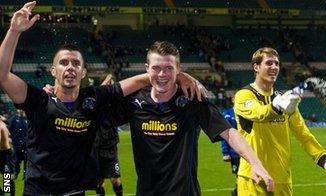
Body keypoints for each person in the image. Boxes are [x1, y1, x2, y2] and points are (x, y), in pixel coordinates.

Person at [0, 2, 203, 195]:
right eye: (63, 63)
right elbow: (2, 76)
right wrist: (14, 31)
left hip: (76, 192)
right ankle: (6, 191)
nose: (70, 67)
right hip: (38, 192)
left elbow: (136, 82)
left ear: (83, 72)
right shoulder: (39, 99)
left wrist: (177, 74)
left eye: (75, 64)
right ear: (53, 70)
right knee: (7, 177)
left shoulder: (94, 99)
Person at [118, 41, 274, 195]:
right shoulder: (134, 101)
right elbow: (100, 98)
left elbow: (228, 132)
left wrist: (255, 162)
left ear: (178, 69)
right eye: (156, 68)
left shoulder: (193, 99)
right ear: (147, 69)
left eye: (168, 68)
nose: (162, 74)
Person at [234, 47, 326, 195]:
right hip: (253, 179)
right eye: (268, 63)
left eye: (276, 63)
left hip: (282, 180)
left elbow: (304, 135)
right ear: (256, 67)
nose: (274, 67)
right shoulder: (244, 96)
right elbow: (259, 113)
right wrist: (278, 105)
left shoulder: (284, 98)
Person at [94, 74, 123, 196]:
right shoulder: (94, 103)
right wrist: (107, 80)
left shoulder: (114, 105)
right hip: (97, 148)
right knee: (98, 182)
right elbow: (98, 95)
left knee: (115, 180)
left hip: (111, 148)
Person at [220, 105, 240, 196]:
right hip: (235, 153)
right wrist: (225, 152)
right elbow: (225, 135)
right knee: (240, 176)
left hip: (250, 150)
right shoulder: (227, 114)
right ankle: (237, 193)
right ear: (233, 100)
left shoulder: (247, 111)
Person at [7, 109, 28, 180]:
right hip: (16, 144)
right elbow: (8, 131)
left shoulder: (28, 119)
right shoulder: (13, 119)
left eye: (23, 109)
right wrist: (9, 139)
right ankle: (16, 173)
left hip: (26, 145)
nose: (21, 110)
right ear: (17, 110)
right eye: (20, 109)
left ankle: (25, 176)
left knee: (27, 161)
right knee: (16, 161)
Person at [0, 117, 15, 195]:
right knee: (6, 177)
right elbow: (9, 136)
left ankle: (11, 194)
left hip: (5, 154)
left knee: (7, 177)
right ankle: (3, 192)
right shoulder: (3, 124)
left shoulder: (1, 125)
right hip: (4, 152)